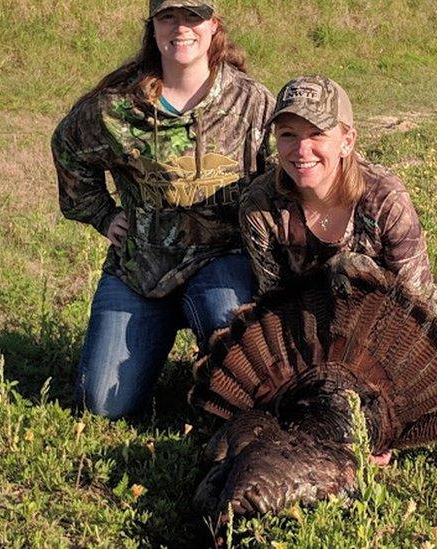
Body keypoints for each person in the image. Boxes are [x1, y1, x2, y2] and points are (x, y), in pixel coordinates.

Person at [51, 0, 275, 419]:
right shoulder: (118, 107)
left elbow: (279, 184)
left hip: (220, 262)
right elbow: (67, 145)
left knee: (247, 389)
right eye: (168, 17)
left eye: (193, 17)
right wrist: (101, 213)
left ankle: (213, 342)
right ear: (152, 29)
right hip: (141, 268)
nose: (181, 28)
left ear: (213, 26)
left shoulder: (251, 103)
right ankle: (155, 328)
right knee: (100, 404)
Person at [239, 76, 437, 466]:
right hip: (311, 333)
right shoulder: (260, 206)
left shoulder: (386, 198)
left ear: (347, 140)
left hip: (386, 337)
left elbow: (416, 311)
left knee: (356, 270)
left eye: (317, 133)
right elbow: (275, 314)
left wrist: (388, 419)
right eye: (287, 135)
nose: (301, 150)